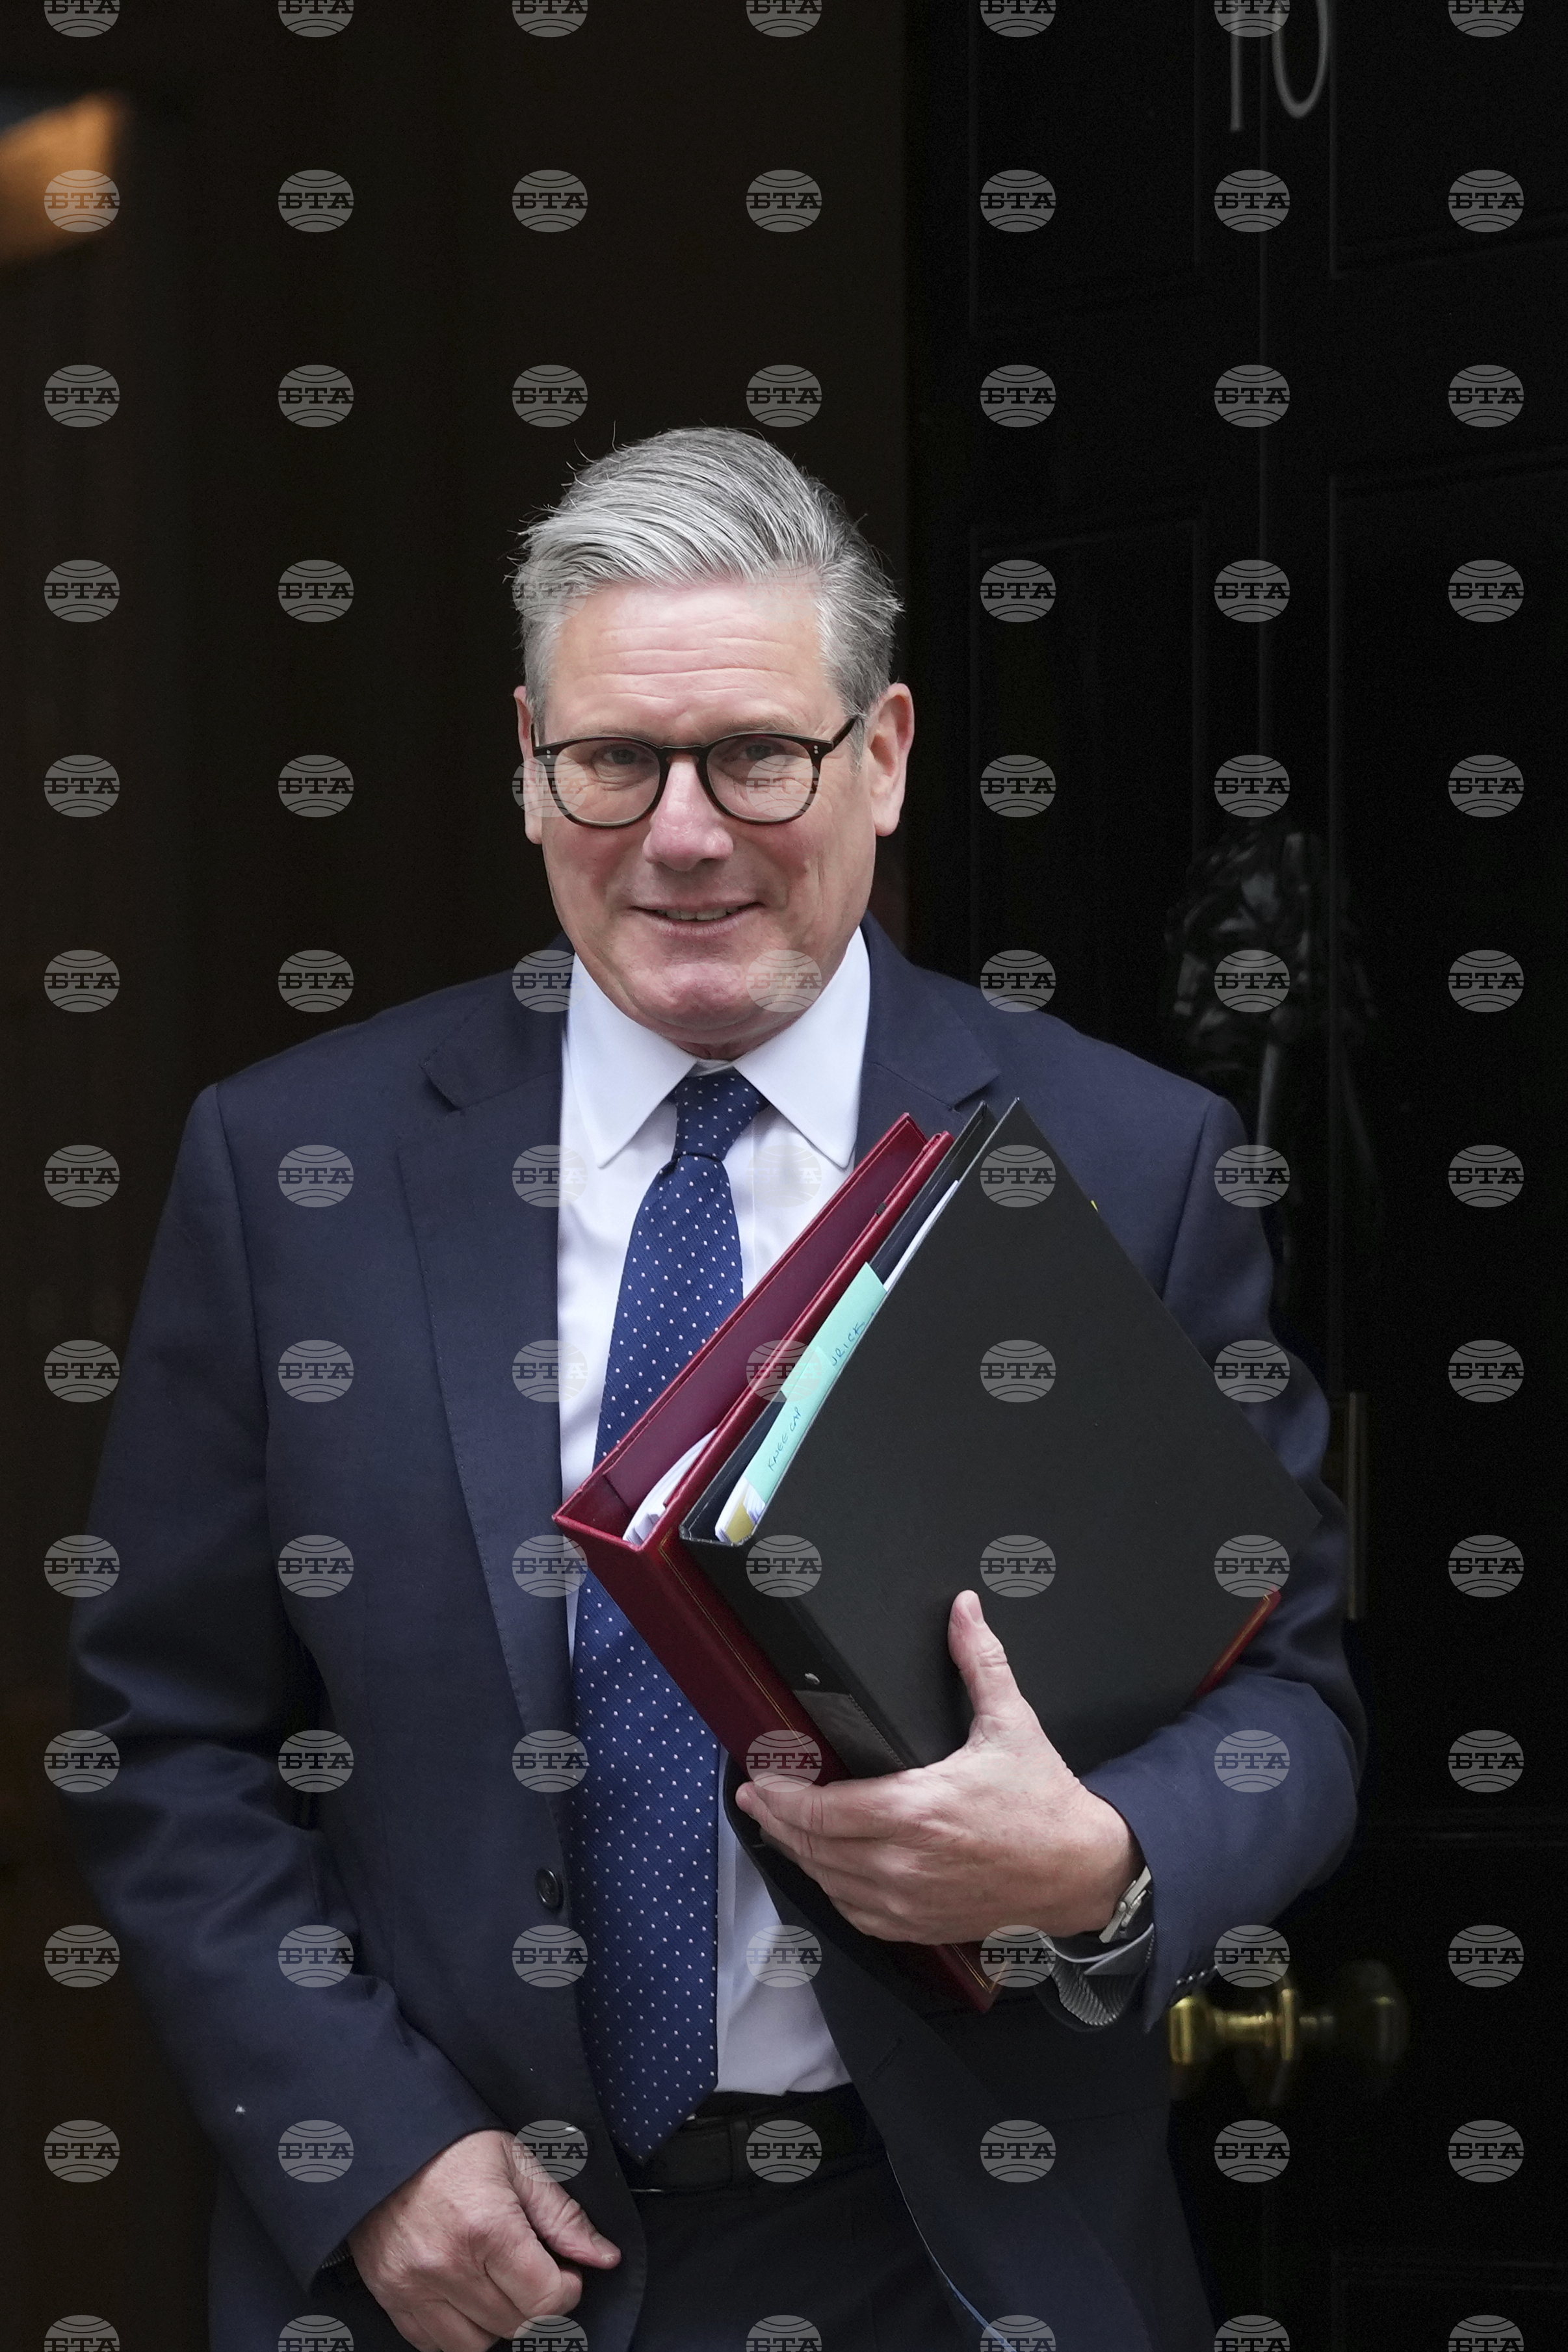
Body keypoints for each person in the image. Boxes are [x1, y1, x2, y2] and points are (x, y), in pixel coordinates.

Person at [69, 428, 1363, 2352]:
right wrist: (367, 2149)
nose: (682, 835)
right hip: (459, 2268)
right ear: (529, 763)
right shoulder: (295, 1169)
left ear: (886, 755)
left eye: (758, 754)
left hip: (947, 2258)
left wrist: (1102, 1860)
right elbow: (168, 1734)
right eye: (616, 761)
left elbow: (1288, 1694)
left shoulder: (1128, 1159)